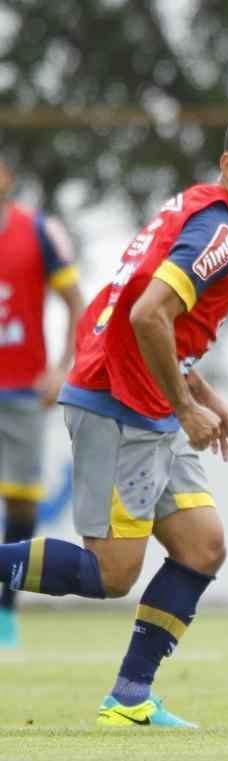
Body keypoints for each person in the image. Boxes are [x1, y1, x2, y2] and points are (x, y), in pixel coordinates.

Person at [0, 111, 228, 728]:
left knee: (202, 546)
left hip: (148, 402)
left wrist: (201, 394)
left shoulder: (194, 208)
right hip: (120, 406)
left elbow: (153, 317)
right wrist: (187, 408)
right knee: (112, 574)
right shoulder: (219, 232)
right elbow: (146, 315)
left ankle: (129, 696)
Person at [0, 159, 86, 647]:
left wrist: (62, 367)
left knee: (20, 498)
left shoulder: (37, 231)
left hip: (22, 391)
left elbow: (76, 302)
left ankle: (6, 611)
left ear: (7, 178)